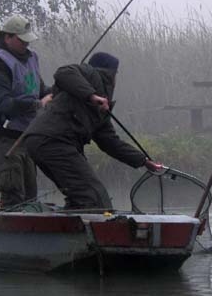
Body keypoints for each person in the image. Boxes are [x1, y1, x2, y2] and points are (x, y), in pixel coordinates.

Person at [23, 51, 163, 210]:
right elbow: (63, 72)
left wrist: (143, 161)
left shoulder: (100, 108)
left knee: (83, 196)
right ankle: (86, 233)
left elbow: (110, 142)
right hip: (51, 140)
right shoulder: (91, 74)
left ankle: (70, 226)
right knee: (93, 197)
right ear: (112, 74)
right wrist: (91, 95)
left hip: (45, 142)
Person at [0, 14, 52, 208]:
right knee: (12, 189)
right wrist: (36, 104)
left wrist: (56, 92)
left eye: (27, 40)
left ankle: (31, 228)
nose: (26, 45)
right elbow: (4, 104)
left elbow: (39, 90)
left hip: (27, 133)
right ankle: (9, 227)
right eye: (21, 40)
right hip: (3, 134)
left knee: (30, 192)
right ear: (7, 37)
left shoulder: (31, 58)